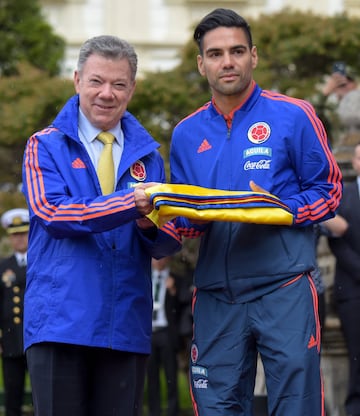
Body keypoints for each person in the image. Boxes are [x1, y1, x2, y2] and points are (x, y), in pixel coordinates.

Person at [169, 8, 342, 416]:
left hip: (283, 287)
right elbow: (187, 224)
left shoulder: (294, 115)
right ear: (201, 63)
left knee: (295, 406)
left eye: (236, 51)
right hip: (215, 293)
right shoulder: (185, 134)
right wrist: (170, 215)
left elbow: (328, 190)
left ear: (254, 56)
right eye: (215, 54)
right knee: (216, 407)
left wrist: (282, 210)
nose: (226, 61)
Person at [21, 35, 181, 416]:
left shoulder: (150, 157)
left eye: (119, 84)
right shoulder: (44, 146)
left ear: (132, 88)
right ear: (77, 80)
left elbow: (168, 240)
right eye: (96, 81)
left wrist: (147, 224)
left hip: (125, 325)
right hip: (61, 324)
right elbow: (54, 214)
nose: (106, 93)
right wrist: (131, 203)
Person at [328, 142, 360, 416]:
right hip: (353, 290)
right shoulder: (343, 196)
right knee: (357, 354)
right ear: (356, 162)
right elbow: (337, 243)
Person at [0, 208, 30, 416]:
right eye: (15, 235)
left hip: (36, 337)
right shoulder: (3, 266)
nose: (19, 239)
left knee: (43, 394)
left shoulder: (41, 262)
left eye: (23, 233)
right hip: (10, 339)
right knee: (12, 394)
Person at [145, 257, 179, 416]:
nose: (158, 260)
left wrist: (173, 291)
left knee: (171, 375)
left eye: (162, 256)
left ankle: (173, 411)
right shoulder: (144, 277)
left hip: (166, 332)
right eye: (155, 257)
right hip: (149, 332)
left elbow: (184, 303)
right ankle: (154, 412)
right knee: (152, 377)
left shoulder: (174, 278)